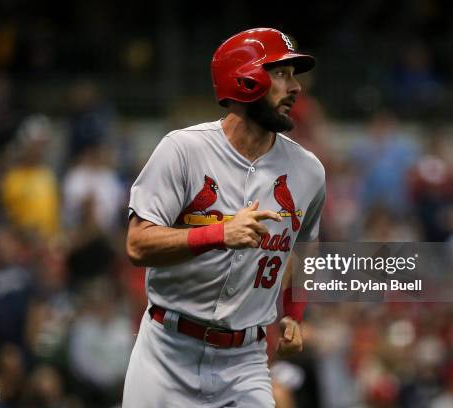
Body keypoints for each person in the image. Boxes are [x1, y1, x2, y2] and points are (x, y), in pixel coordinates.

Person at [122, 28, 326, 407]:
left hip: (245, 360)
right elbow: (137, 244)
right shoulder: (183, 150)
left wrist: (294, 313)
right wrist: (217, 233)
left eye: (293, 75)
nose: (295, 87)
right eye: (281, 73)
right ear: (245, 78)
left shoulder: (309, 171)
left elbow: (305, 245)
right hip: (166, 352)